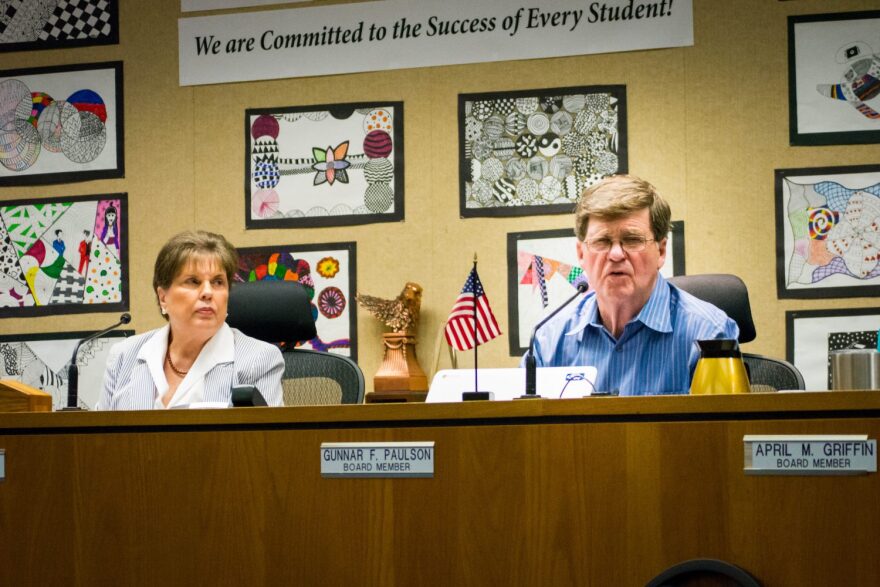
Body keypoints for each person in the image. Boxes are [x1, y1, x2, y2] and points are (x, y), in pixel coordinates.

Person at [526, 174, 738, 395]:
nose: (616, 254)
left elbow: (722, 429)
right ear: (581, 253)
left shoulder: (709, 333)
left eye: (633, 240)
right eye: (601, 241)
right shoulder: (548, 340)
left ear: (661, 251)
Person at [97, 230, 283, 410]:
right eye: (193, 281)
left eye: (218, 282)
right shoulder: (124, 356)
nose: (208, 292)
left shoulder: (259, 360)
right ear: (163, 298)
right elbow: (99, 438)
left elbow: (264, 441)